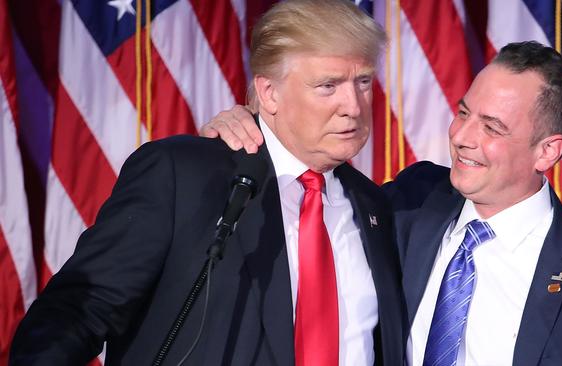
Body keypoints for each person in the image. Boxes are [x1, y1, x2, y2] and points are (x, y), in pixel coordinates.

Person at [201, 41, 562, 365]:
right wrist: (255, 127)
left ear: (547, 151)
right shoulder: (409, 203)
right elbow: (310, 189)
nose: (462, 137)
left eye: (491, 128)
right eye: (463, 112)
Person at [10, 1, 405, 365]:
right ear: (269, 93)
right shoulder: (183, 176)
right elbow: (80, 309)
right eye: (328, 86)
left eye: (364, 82)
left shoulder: (374, 206)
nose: (353, 106)